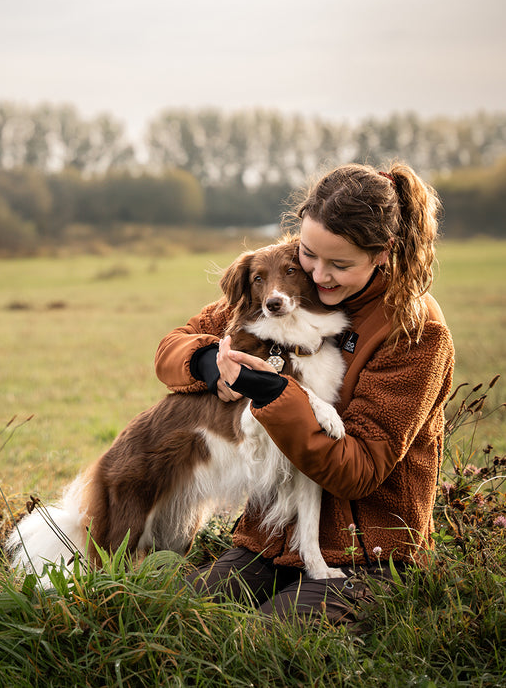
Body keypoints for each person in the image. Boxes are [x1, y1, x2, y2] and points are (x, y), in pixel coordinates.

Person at [154, 162, 455, 623]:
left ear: (384, 253)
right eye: (310, 253)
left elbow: (359, 469)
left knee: (264, 639)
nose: (318, 275)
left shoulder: (415, 331)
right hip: (270, 540)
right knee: (178, 616)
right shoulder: (288, 271)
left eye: (340, 264)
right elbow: (174, 346)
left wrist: (272, 393)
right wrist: (209, 362)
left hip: (369, 553)